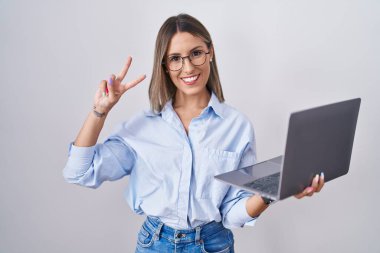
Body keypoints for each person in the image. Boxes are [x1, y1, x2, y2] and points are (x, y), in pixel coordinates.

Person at [63, 13, 324, 253]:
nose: (188, 68)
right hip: (155, 244)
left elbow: (232, 213)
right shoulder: (143, 126)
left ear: (210, 52)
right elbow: (79, 172)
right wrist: (100, 111)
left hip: (213, 244)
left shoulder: (237, 126)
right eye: (176, 58)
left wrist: (272, 191)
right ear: (165, 66)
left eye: (196, 53)